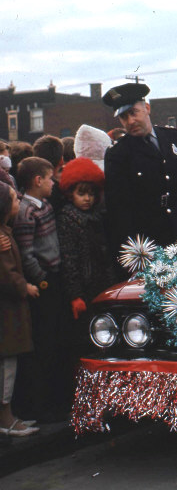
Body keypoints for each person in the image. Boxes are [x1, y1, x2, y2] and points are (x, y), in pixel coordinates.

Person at [102, 83, 177, 269]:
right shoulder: (119, 154)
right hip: (149, 240)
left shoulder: (173, 138)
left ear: (147, 108)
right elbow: (119, 209)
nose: (129, 121)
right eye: (123, 116)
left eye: (133, 112)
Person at [12, 157, 69, 421]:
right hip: (44, 282)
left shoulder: (44, 205)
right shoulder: (27, 213)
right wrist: (42, 279)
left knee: (56, 338)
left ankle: (54, 401)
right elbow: (26, 253)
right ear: (37, 181)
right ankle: (41, 406)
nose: (53, 182)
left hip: (55, 276)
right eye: (49, 178)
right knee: (44, 342)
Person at [0, 182, 39, 437]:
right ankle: (7, 419)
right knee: (7, 368)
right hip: (7, 314)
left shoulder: (5, 232)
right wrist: (26, 287)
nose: (18, 202)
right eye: (14, 199)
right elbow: (8, 275)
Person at [56, 158, 114, 322]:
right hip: (85, 284)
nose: (87, 198)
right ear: (70, 194)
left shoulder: (97, 217)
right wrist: (76, 294)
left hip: (101, 281)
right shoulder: (67, 220)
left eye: (91, 194)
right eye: (81, 194)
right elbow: (69, 259)